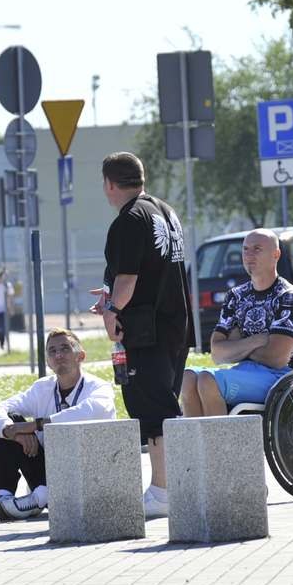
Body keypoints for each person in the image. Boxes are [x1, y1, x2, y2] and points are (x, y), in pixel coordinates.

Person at [92, 152, 191, 519]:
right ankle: (173, 485)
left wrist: (112, 311)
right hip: (174, 324)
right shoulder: (164, 211)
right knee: (166, 405)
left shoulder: (129, 219)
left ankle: (164, 490)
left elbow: (128, 280)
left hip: (146, 330)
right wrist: (110, 296)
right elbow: (149, 271)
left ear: (109, 184)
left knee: (154, 411)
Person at [0, 327, 117, 520]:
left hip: (85, 474)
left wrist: (36, 425)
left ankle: (40, 497)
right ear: (48, 361)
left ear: (81, 355)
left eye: (65, 348)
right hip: (46, 467)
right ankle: (4, 493)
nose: (58, 355)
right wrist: (16, 433)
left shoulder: (98, 387)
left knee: (46, 429)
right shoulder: (42, 388)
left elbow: (92, 410)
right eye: (52, 351)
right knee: (10, 422)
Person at [180, 228, 293, 416]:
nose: (249, 255)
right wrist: (257, 340)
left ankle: (222, 444)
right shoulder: (236, 296)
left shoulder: (289, 297)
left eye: (257, 249)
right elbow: (217, 353)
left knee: (207, 380)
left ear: (276, 255)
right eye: (245, 249)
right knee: (188, 377)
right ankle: (196, 445)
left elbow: (276, 358)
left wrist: (237, 346)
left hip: (280, 377)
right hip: (244, 371)